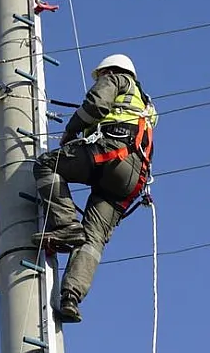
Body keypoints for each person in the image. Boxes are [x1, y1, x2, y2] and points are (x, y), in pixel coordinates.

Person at [31, 54, 158, 323]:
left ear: (110, 70)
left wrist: (71, 129)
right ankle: (71, 297)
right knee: (93, 237)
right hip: (131, 180)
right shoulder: (146, 106)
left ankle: (65, 225)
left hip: (113, 154)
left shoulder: (117, 79)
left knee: (46, 165)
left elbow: (97, 104)